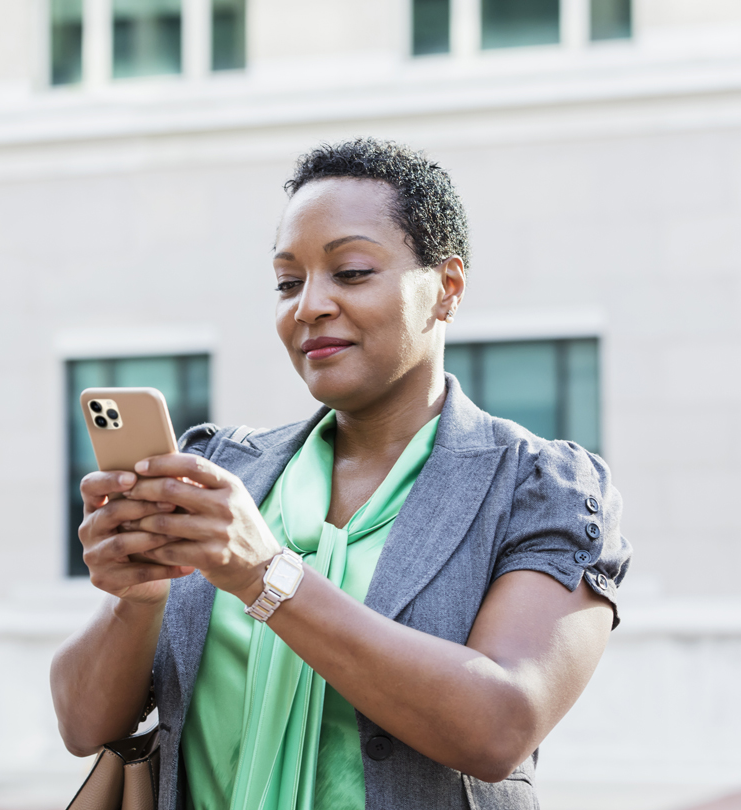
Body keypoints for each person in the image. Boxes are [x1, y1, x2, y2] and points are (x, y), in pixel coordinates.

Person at [51, 138, 632, 810]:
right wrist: (139, 597)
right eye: (287, 282)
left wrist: (265, 576)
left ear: (445, 290)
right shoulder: (223, 472)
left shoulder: (538, 489)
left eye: (350, 272)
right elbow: (82, 726)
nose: (309, 306)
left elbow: (500, 724)